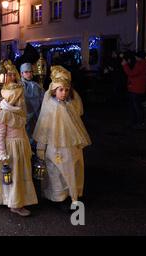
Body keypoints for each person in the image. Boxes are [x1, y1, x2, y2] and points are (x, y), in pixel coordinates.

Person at [0, 80, 38, 217]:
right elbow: (0, 135)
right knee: (11, 174)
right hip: (9, 148)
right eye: (19, 97)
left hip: (20, 146)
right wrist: (2, 154)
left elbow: (22, 130)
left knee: (18, 174)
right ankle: (15, 203)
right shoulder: (3, 112)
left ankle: (16, 199)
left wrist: (26, 145)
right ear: (13, 97)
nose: (22, 99)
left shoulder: (19, 110)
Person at [33, 66, 92, 205]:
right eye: (60, 90)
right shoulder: (50, 107)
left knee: (72, 168)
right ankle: (58, 197)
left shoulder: (69, 105)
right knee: (56, 172)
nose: (64, 93)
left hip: (70, 144)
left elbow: (75, 124)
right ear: (54, 90)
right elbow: (44, 128)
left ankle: (72, 194)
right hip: (55, 145)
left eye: (66, 90)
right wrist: (41, 149)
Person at [122, 51, 146, 130]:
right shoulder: (145, 64)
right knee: (137, 106)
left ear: (138, 57)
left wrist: (125, 65)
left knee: (136, 106)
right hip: (140, 88)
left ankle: (138, 122)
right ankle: (136, 122)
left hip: (135, 88)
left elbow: (131, 73)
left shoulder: (140, 64)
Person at [20, 63, 44, 151]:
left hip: (36, 116)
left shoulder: (37, 86)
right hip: (24, 116)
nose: (29, 74)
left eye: (30, 72)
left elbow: (43, 100)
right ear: (21, 73)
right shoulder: (19, 86)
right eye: (26, 72)